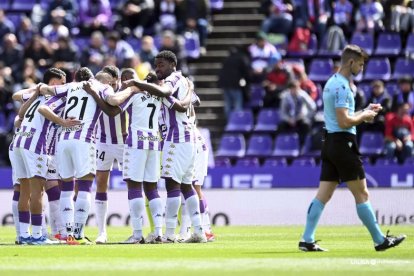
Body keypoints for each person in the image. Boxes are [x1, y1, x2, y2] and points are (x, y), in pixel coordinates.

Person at [299, 44, 406, 252]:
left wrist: (364, 110)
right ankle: (379, 240)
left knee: (323, 195)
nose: (362, 68)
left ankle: (306, 239)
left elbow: (343, 116)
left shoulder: (332, 82)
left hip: (330, 143)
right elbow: (345, 121)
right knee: (362, 194)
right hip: (343, 144)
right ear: (350, 62)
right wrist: (365, 116)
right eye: (360, 64)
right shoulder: (342, 86)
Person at [38, 67, 131, 244]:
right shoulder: (101, 86)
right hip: (84, 140)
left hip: (63, 140)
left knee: (66, 189)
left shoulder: (71, 86)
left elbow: (46, 94)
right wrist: (131, 89)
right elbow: (113, 101)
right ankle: (79, 235)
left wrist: (61, 120)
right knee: (85, 187)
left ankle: (67, 235)